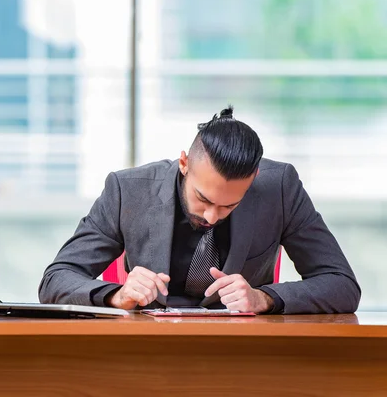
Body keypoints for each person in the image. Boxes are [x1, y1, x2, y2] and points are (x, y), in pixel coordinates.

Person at [38, 106, 361, 314]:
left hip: (244, 347)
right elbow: (56, 280)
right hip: (144, 344)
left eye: (229, 205)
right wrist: (115, 296)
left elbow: (341, 284)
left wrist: (265, 298)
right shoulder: (129, 189)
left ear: (254, 178)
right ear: (183, 164)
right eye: (203, 199)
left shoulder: (280, 187)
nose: (211, 217)